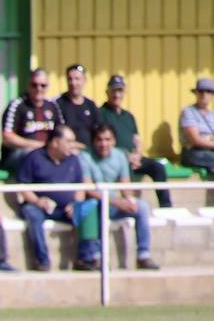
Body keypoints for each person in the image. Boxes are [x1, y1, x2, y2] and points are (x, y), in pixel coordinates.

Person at [15, 126, 100, 271]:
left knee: (91, 207)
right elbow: (23, 186)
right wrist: (37, 201)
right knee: (31, 213)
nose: (73, 145)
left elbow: (80, 186)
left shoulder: (74, 160)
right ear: (55, 142)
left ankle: (86, 258)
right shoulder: (34, 157)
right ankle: (43, 261)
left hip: (67, 209)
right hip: (40, 207)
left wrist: (75, 204)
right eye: (68, 141)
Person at [83, 123, 159, 270]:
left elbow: (125, 185)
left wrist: (128, 200)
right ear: (93, 141)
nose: (103, 144)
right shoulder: (85, 157)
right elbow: (88, 189)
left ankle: (143, 255)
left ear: (114, 141)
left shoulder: (120, 155)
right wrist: (117, 202)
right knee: (95, 205)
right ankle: (96, 256)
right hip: (96, 201)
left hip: (114, 203)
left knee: (142, 207)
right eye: (99, 139)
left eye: (107, 139)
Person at [98, 74, 170, 208]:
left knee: (158, 167)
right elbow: (101, 141)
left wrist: (137, 154)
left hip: (134, 158)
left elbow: (136, 139)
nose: (117, 94)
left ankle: (166, 207)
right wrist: (126, 156)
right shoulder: (101, 113)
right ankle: (127, 206)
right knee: (123, 169)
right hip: (115, 159)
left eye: (120, 90)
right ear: (107, 92)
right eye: (114, 90)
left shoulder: (128, 116)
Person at [0, 69, 61, 172]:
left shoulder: (53, 106)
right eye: (34, 85)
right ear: (28, 85)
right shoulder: (17, 105)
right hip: (19, 154)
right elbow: (7, 138)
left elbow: (62, 133)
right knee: (35, 156)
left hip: (47, 152)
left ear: (48, 87)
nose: (38, 89)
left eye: (43, 85)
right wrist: (39, 146)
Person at [56, 64, 99, 149]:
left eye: (77, 79)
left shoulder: (91, 105)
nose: (73, 83)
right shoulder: (58, 104)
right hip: (67, 150)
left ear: (84, 80)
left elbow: (98, 130)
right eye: (70, 79)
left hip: (89, 152)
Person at [178, 77, 214, 171]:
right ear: (196, 93)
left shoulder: (212, 114)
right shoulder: (188, 112)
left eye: (208, 91)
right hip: (192, 152)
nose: (204, 94)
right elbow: (195, 140)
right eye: (201, 91)